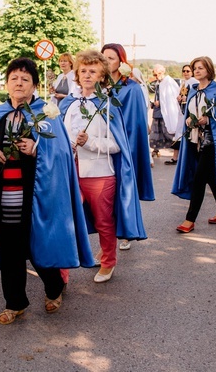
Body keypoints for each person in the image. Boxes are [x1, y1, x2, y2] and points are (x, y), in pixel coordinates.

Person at [0, 57, 93, 324]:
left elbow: (62, 154)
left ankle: (54, 287)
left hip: (35, 198)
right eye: (14, 78)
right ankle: (14, 302)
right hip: (2, 196)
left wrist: (37, 149)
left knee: (37, 248)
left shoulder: (45, 114)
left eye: (25, 79)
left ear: (34, 85)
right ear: (6, 84)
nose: (19, 83)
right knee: (9, 251)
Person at [61, 50, 146, 281]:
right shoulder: (68, 103)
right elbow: (59, 136)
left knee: (103, 222)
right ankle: (62, 270)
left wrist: (89, 143)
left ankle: (108, 261)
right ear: (77, 74)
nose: (87, 75)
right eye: (83, 71)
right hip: (69, 174)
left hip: (100, 175)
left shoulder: (108, 105)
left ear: (102, 77)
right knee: (66, 222)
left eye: (93, 71)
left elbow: (118, 145)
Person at [173, 56, 216, 232]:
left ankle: (189, 220)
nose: (197, 71)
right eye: (195, 68)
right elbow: (189, 111)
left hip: (212, 142)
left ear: (209, 70)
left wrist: (208, 120)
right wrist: (189, 120)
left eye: (201, 68)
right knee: (209, 177)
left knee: (199, 179)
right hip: (195, 140)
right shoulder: (193, 90)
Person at [101, 43, 154, 251]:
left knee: (122, 193)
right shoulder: (100, 86)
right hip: (100, 148)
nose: (106, 62)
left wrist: (128, 151)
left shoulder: (131, 88)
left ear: (121, 62)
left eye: (111, 58)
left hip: (123, 148)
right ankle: (113, 236)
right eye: (103, 57)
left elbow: (136, 124)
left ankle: (122, 234)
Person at [148, 64, 182, 165]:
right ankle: (156, 150)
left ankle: (177, 154)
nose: (156, 76)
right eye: (154, 74)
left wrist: (161, 104)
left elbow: (171, 99)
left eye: (157, 73)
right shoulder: (159, 83)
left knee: (169, 133)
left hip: (166, 113)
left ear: (162, 72)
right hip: (158, 112)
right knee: (156, 133)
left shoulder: (169, 82)